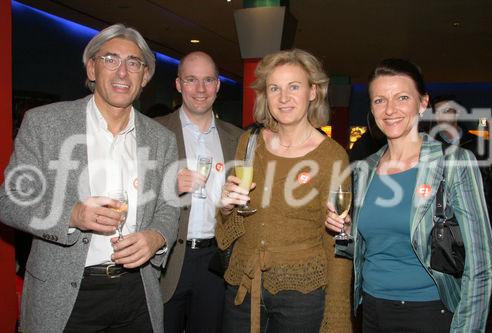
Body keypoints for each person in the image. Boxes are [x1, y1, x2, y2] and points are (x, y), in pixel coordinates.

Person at [0, 24, 180, 333]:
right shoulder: (46, 124)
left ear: (144, 77)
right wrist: (73, 214)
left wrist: (156, 238)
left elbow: (169, 207)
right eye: (111, 59)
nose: (123, 72)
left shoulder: (162, 139)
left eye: (134, 63)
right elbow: (10, 200)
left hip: (137, 292)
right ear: (92, 68)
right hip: (65, 295)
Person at [326, 58, 492, 332]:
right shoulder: (365, 170)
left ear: (423, 103)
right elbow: (364, 249)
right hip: (371, 307)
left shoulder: (453, 163)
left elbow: (482, 263)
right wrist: (347, 230)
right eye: (379, 100)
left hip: (427, 312)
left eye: (402, 97)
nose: (390, 110)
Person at [217, 49, 353, 333]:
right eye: (274, 88)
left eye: (294, 87)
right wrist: (226, 208)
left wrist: (337, 315)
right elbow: (226, 231)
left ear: (313, 92)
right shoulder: (249, 143)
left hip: (301, 296)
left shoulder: (332, 156)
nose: (283, 98)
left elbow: (338, 240)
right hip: (243, 285)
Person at [155, 51, 243, 333]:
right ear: (178, 84)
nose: (201, 89)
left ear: (218, 85)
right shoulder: (155, 132)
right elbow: (133, 195)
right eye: (191, 80)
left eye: (208, 80)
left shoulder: (238, 139)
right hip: (168, 260)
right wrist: (169, 186)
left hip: (216, 262)